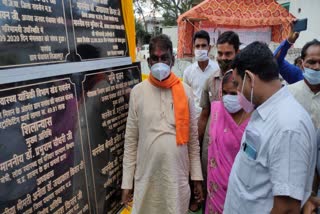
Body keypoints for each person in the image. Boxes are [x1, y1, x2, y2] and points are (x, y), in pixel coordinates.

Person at [224, 41, 317, 213]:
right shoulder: (265, 111)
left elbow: (287, 208)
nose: (238, 92)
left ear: (250, 79)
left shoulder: (288, 128)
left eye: (237, 84)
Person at [121, 34, 203, 214]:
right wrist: (127, 182)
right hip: (146, 178)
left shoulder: (186, 92)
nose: (160, 63)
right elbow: (131, 141)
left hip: (176, 179)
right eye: (155, 58)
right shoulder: (138, 92)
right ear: (149, 61)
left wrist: (196, 178)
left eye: (164, 58)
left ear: (172, 60)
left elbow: (193, 141)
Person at [197, 31, 240, 191]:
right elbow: (204, 115)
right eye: (220, 53)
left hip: (234, 149)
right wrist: (197, 143)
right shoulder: (211, 81)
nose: (223, 58)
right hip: (211, 149)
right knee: (210, 190)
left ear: (237, 53)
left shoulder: (247, 82)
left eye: (228, 53)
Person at [205, 71, 251, 214]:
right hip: (216, 189)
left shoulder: (254, 117)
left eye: (234, 93)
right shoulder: (217, 111)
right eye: (224, 93)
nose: (228, 98)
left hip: (243, 188)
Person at [286, 39, 320, 213]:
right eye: (311, 62)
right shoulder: (288, 94)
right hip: (291, 171)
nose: (316, 67)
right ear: (301, 64)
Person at [183, 30, 219, 119]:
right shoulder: (188, 72)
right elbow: (185, 98)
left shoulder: (217, 69)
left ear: (209, 48)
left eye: (203, 46)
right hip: (195, 118)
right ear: (193, 48)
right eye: (197, 46)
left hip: (213, 117)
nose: (200, 49)